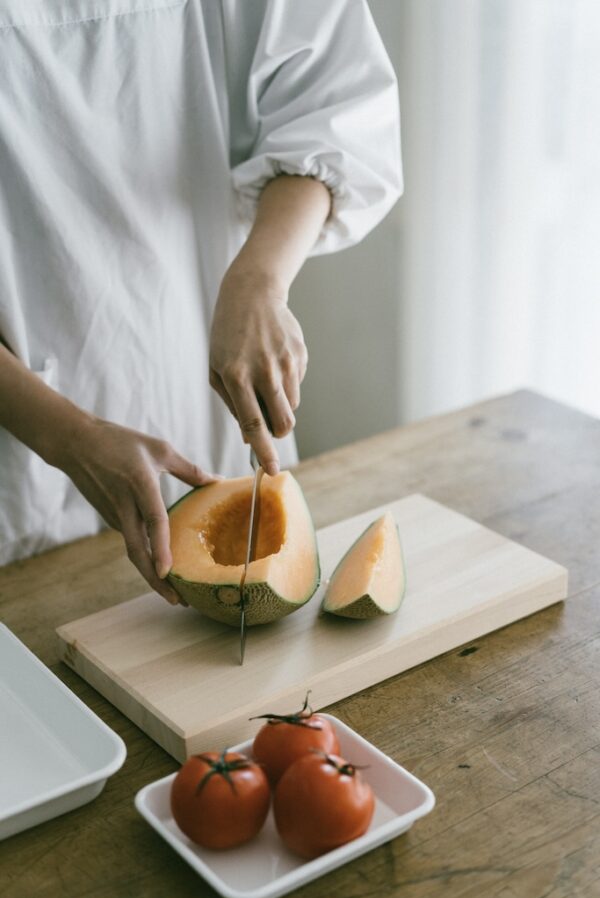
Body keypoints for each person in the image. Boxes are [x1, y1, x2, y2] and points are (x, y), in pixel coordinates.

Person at [0, 0, 402, 604]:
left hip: (199, 389)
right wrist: (69, 438)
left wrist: (259, 278)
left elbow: (335, 109)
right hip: (19, 446)